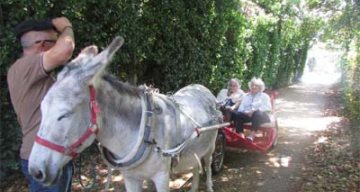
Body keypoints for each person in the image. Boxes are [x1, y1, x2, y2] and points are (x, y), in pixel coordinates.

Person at [7, 17, 75, 191]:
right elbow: (65, 50)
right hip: (44, 159)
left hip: (49, 157)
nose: (58, 44)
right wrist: (67, 27)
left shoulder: (37, 73)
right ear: (43, 45)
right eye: (55, 41)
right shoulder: (24, 67)